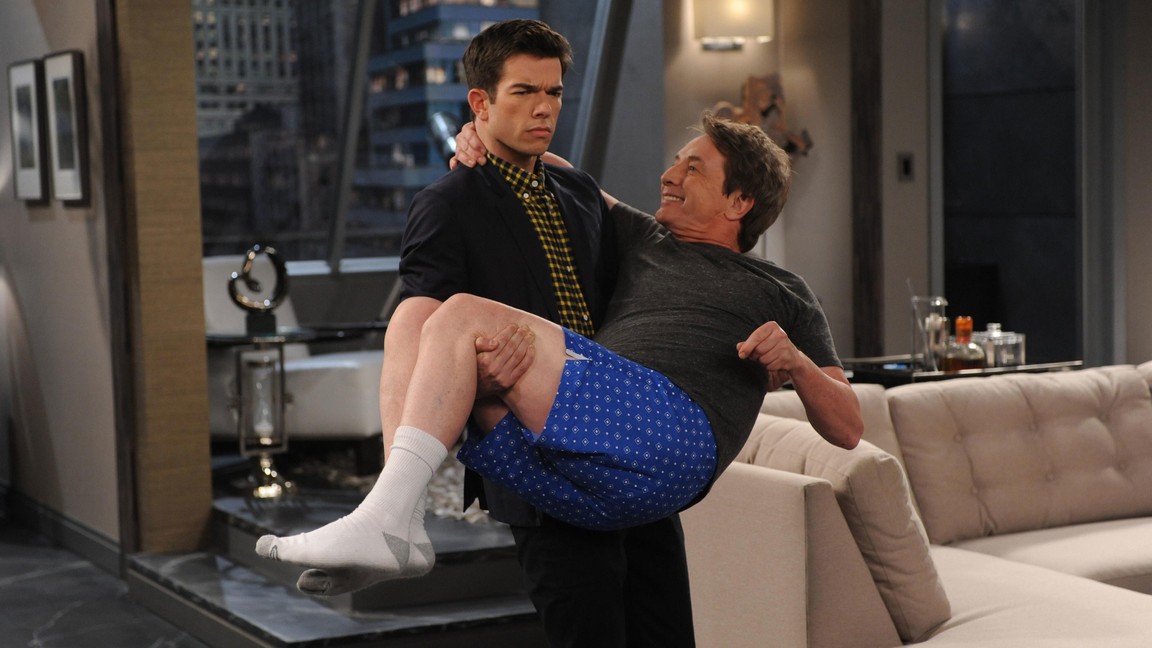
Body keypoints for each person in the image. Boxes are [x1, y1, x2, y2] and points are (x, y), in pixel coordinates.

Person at [255, 111, 863, 623]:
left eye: (693, 168)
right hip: (585, 460)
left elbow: (848, 428)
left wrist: (798, 363)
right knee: (416, 315)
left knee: (462, 313)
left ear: (739, 201)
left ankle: (385, 520)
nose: (669, 175)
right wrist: (479, 136)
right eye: (676, 162)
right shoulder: (644, 237)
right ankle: (398, 522)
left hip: (671, 440)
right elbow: (551, 169)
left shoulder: (782, 289)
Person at [268, 19, 699, 647]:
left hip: (624, 442)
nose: (544, 108)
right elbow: (424, 336)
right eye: (524, 92)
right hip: (542, 460)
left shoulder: (579, 190)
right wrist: (477, 379)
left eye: (553, 92)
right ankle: (392, 512)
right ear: (481, 101)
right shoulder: (447, 204)